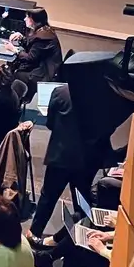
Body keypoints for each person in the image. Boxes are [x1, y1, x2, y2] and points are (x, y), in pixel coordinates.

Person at [28, 84, 96, 245]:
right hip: (85, 157)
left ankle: (34, 233)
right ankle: (81, 238)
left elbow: (50, 123)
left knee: (48, 196)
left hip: (60, 154)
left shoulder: (60, 92)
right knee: (81, 201)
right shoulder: (97, 96)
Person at [7, 7, 63, 83]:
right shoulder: (44, 29)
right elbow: (33, 45)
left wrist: (14, 50)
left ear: (34, 20)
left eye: (27, 17)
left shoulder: (42, 37)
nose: (25, 19)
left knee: (15, 74)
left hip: (44, 74)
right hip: (42, 66)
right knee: (15, 65)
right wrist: (21, 37)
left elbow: (30, 58)